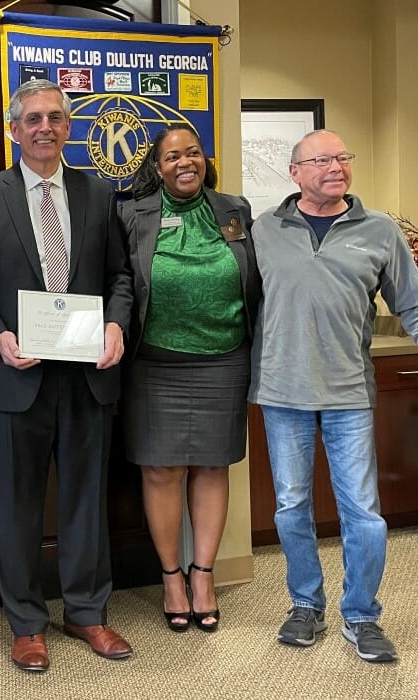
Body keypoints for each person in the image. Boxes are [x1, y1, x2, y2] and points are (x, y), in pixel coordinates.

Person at [250, 129, 418, 663]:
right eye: (320, 160)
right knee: (291, 507)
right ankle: (305, 605)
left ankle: (361, 615)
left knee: (363, 512)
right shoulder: (263, 229)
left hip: (347, 392)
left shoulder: (379, 230)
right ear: (294, 173)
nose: (335, 166)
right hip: (281, 389)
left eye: (342, 157)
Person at [0, 78, 134, 672]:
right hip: (15, 377)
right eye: (32, 118)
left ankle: (87, 612)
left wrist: (116, 326)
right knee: (15, 507)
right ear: (14, 129)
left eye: (55, 117)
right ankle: (27, 624)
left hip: (86, 376)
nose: (44, 128)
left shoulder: (98, 194)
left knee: (86, 501)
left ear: (68, 126)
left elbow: (120, 278)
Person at [118, 124, 260, 634]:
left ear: (206, 159)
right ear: (157, 167)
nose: (185, 162)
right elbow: (119, 282)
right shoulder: (132, 215)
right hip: (155, 364)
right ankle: (171, 578)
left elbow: (256, 279)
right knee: (160, 471)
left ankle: (204, 576)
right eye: (173, 156)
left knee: (212, 465)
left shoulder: (234, 211)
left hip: (224, 359)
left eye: (193, 153)